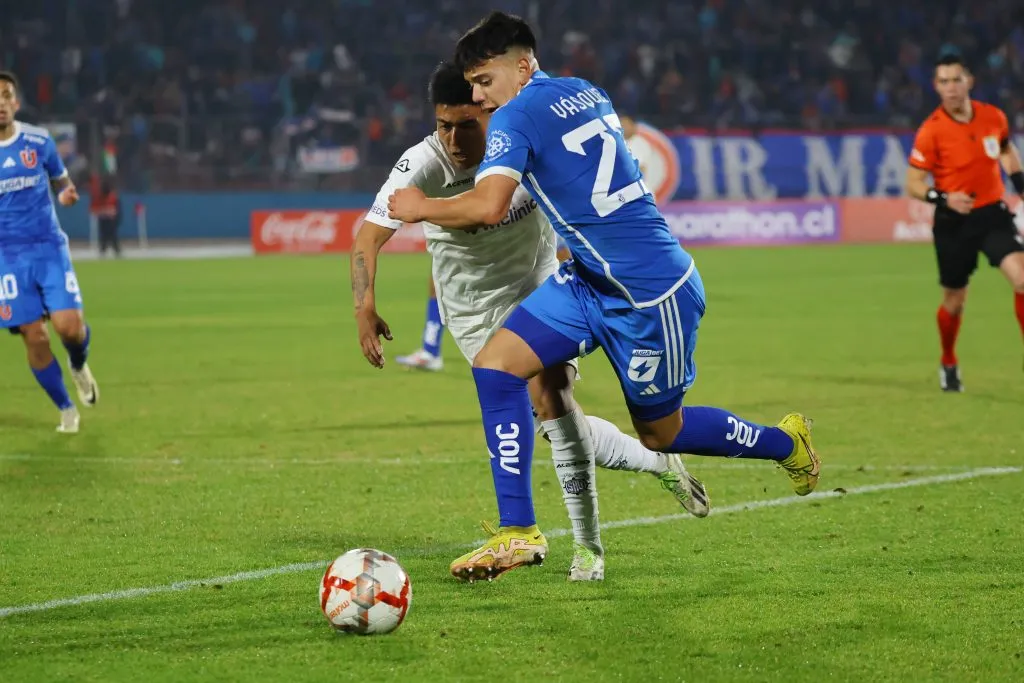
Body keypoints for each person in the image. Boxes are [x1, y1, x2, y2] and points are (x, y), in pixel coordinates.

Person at [388, 13, 820, 582]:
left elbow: (489, 206)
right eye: (472, 84)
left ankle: (784, 442)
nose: (477, 94)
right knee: (496, 366)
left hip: (649, 295)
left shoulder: (515, 116)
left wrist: (421, 208)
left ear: (522, 67)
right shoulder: (584, 91)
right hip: (592, 279)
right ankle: (518, 530)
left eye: (484, 80)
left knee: (662, 432)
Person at [353, 61, 709, 581]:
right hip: (472, 312)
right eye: (442, 125)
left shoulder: (524, 138)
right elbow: (368, 236)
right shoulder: (420, 164)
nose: (452, 138)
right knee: (558, 426)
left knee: (554, 403)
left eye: (466, 125)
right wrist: (363, 307)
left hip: (537, 290)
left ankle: (581, 548)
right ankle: (655, 463)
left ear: (491, 110)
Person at [905, 54, 1024, 392]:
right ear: (936, 87)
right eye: (943, 82)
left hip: (992, 214)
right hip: (953, 221)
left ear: (969, 81)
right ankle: (948, 360)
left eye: (956, 80)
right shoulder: (931, 130)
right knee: (954, 302)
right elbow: (912, 184)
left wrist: (1020, 186)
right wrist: (943, 198)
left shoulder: (993, 117)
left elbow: (1005, 150)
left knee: (1022, 276)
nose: (951, 88)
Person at [0, 71, 98, 433]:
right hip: (6, 256)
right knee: (34, 335)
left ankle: (78, 363)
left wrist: (66, 194)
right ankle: (66, 407)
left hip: (47, 247)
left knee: (69, 328)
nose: (0, 103)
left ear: (16, 103)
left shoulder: (39, 141)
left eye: (6, 95)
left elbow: (61, 179)